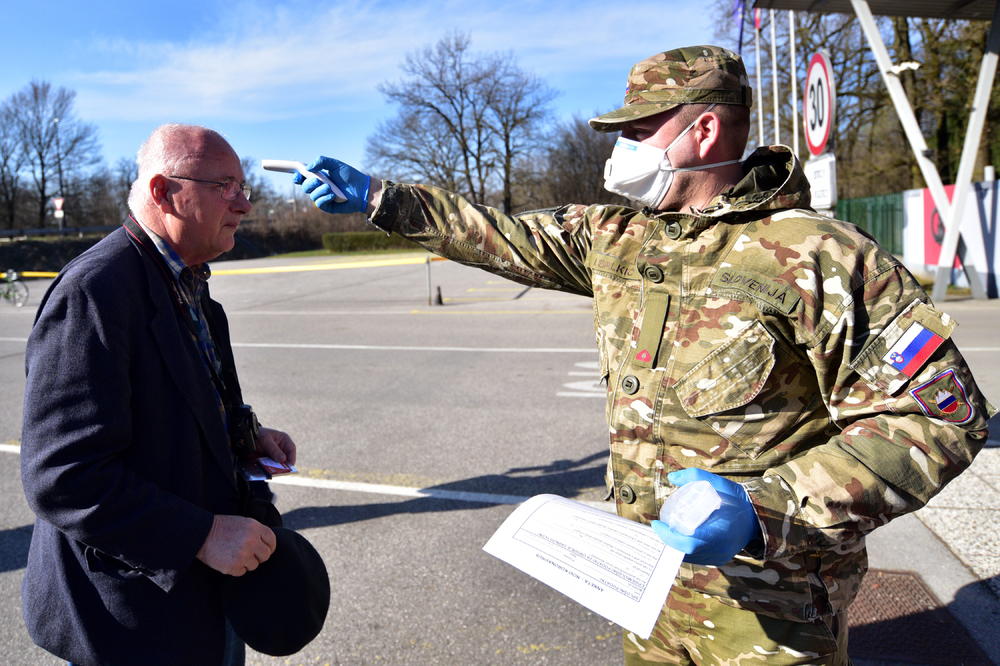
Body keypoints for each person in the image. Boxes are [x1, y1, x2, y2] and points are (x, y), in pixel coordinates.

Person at [293, 45, 994, 664]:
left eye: (637, 128)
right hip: (646, 589)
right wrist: (385, 199)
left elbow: (936, 418)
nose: (620, 144)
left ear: (705, 129)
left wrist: (762, 505)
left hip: (775, 613)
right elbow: (501, 235)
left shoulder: (821, 255)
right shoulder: (621, 237)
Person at [21, 124, 297, 665]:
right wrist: (200, 534)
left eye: (245, 187)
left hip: (205, 599)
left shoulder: (192, 285)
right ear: (162, 191)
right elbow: (61, 475)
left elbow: (186, 403)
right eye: (226, 186)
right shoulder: (95, 292)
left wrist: (244, 435)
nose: (245, 204)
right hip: (132, 621)